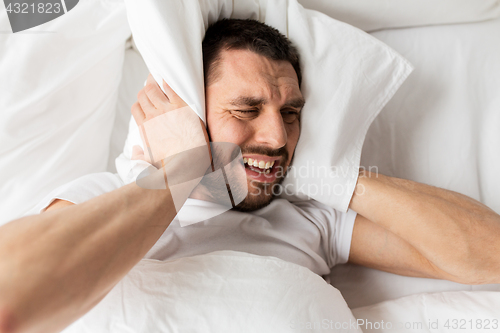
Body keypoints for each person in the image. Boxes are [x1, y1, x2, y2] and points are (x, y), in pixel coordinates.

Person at [1, 19, 499, 333]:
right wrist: (183, 170)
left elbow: (490, 257)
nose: (278, 137)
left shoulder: (310, 224)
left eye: (291, 113)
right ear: (193, 110)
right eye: (245, 109)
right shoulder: (107, 196)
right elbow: (12, 298)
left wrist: (337, 177)